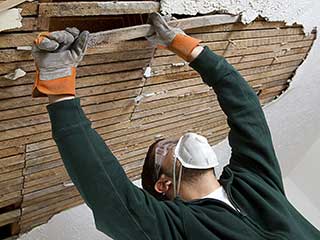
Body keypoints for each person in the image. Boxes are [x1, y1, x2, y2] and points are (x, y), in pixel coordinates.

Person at [31, 12, 320, 240]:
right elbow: (109, 193)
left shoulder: (255, 181)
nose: (179, 140)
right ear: (164, 184)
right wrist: (60, 88)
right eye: (167, 148)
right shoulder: (173, 228)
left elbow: (247, 110)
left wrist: (184, 45)